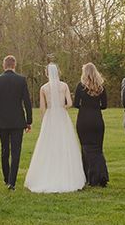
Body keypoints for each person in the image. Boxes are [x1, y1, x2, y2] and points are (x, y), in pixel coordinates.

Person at [24, 63, 85, 193]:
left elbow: (42, 109)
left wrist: (44, 122)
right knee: (64, 143)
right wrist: (62, 107)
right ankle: (66, 174)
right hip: (62, 116)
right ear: (59, 72)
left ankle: (47, 173)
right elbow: (70, 103)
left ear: (47, 74)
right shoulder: (64, 86)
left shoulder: (43, 88)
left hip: (50, 117)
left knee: (49, 145)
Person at [0, 54, 33, 190]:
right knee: (16, 151)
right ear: (15, 66)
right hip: (18, 120)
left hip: (2, 120)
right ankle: (12, 182)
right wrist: (29, 120)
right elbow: (27, 102)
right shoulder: (21, 80)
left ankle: (6, 178)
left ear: (4, 66)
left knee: (4, 149)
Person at [72, 62, 109, 187]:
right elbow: (104, 106)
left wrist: (85, 106)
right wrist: (95, 106)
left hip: (84, 120)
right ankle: (101, 175)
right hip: (97, 120)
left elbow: (76, 104)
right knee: (98, 149)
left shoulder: (80, 86)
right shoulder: (101, 87)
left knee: (85, 149)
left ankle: (89, 177)